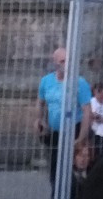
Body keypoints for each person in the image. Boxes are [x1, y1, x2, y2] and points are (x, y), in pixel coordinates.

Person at [36, 48, 93, 190]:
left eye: (69, 61)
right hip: (55, 131)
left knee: (75, 171)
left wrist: (81, 137)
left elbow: (87, 111)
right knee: (55, 170)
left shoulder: (80, 83)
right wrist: (39, 119)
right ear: (55, 63)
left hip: (74, 128)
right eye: (62, 61)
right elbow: (40, 102)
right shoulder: (46, 81)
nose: (66, 64)